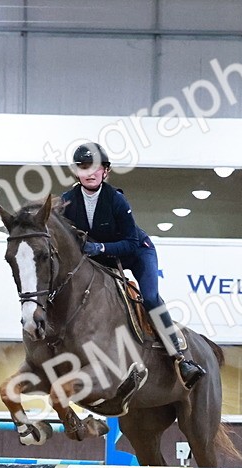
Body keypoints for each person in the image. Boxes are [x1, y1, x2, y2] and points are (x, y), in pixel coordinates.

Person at [59, 142, 206, 389]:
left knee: (149, 297)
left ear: (106, 171)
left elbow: (130, 242)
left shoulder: (116, 200)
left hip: (136, 252)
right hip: (99, 260)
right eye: (84, 167)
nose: (91, 172)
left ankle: (181, 358)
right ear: (77, 172)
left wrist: (101, 248)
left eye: (96, 167)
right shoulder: (67, 201)